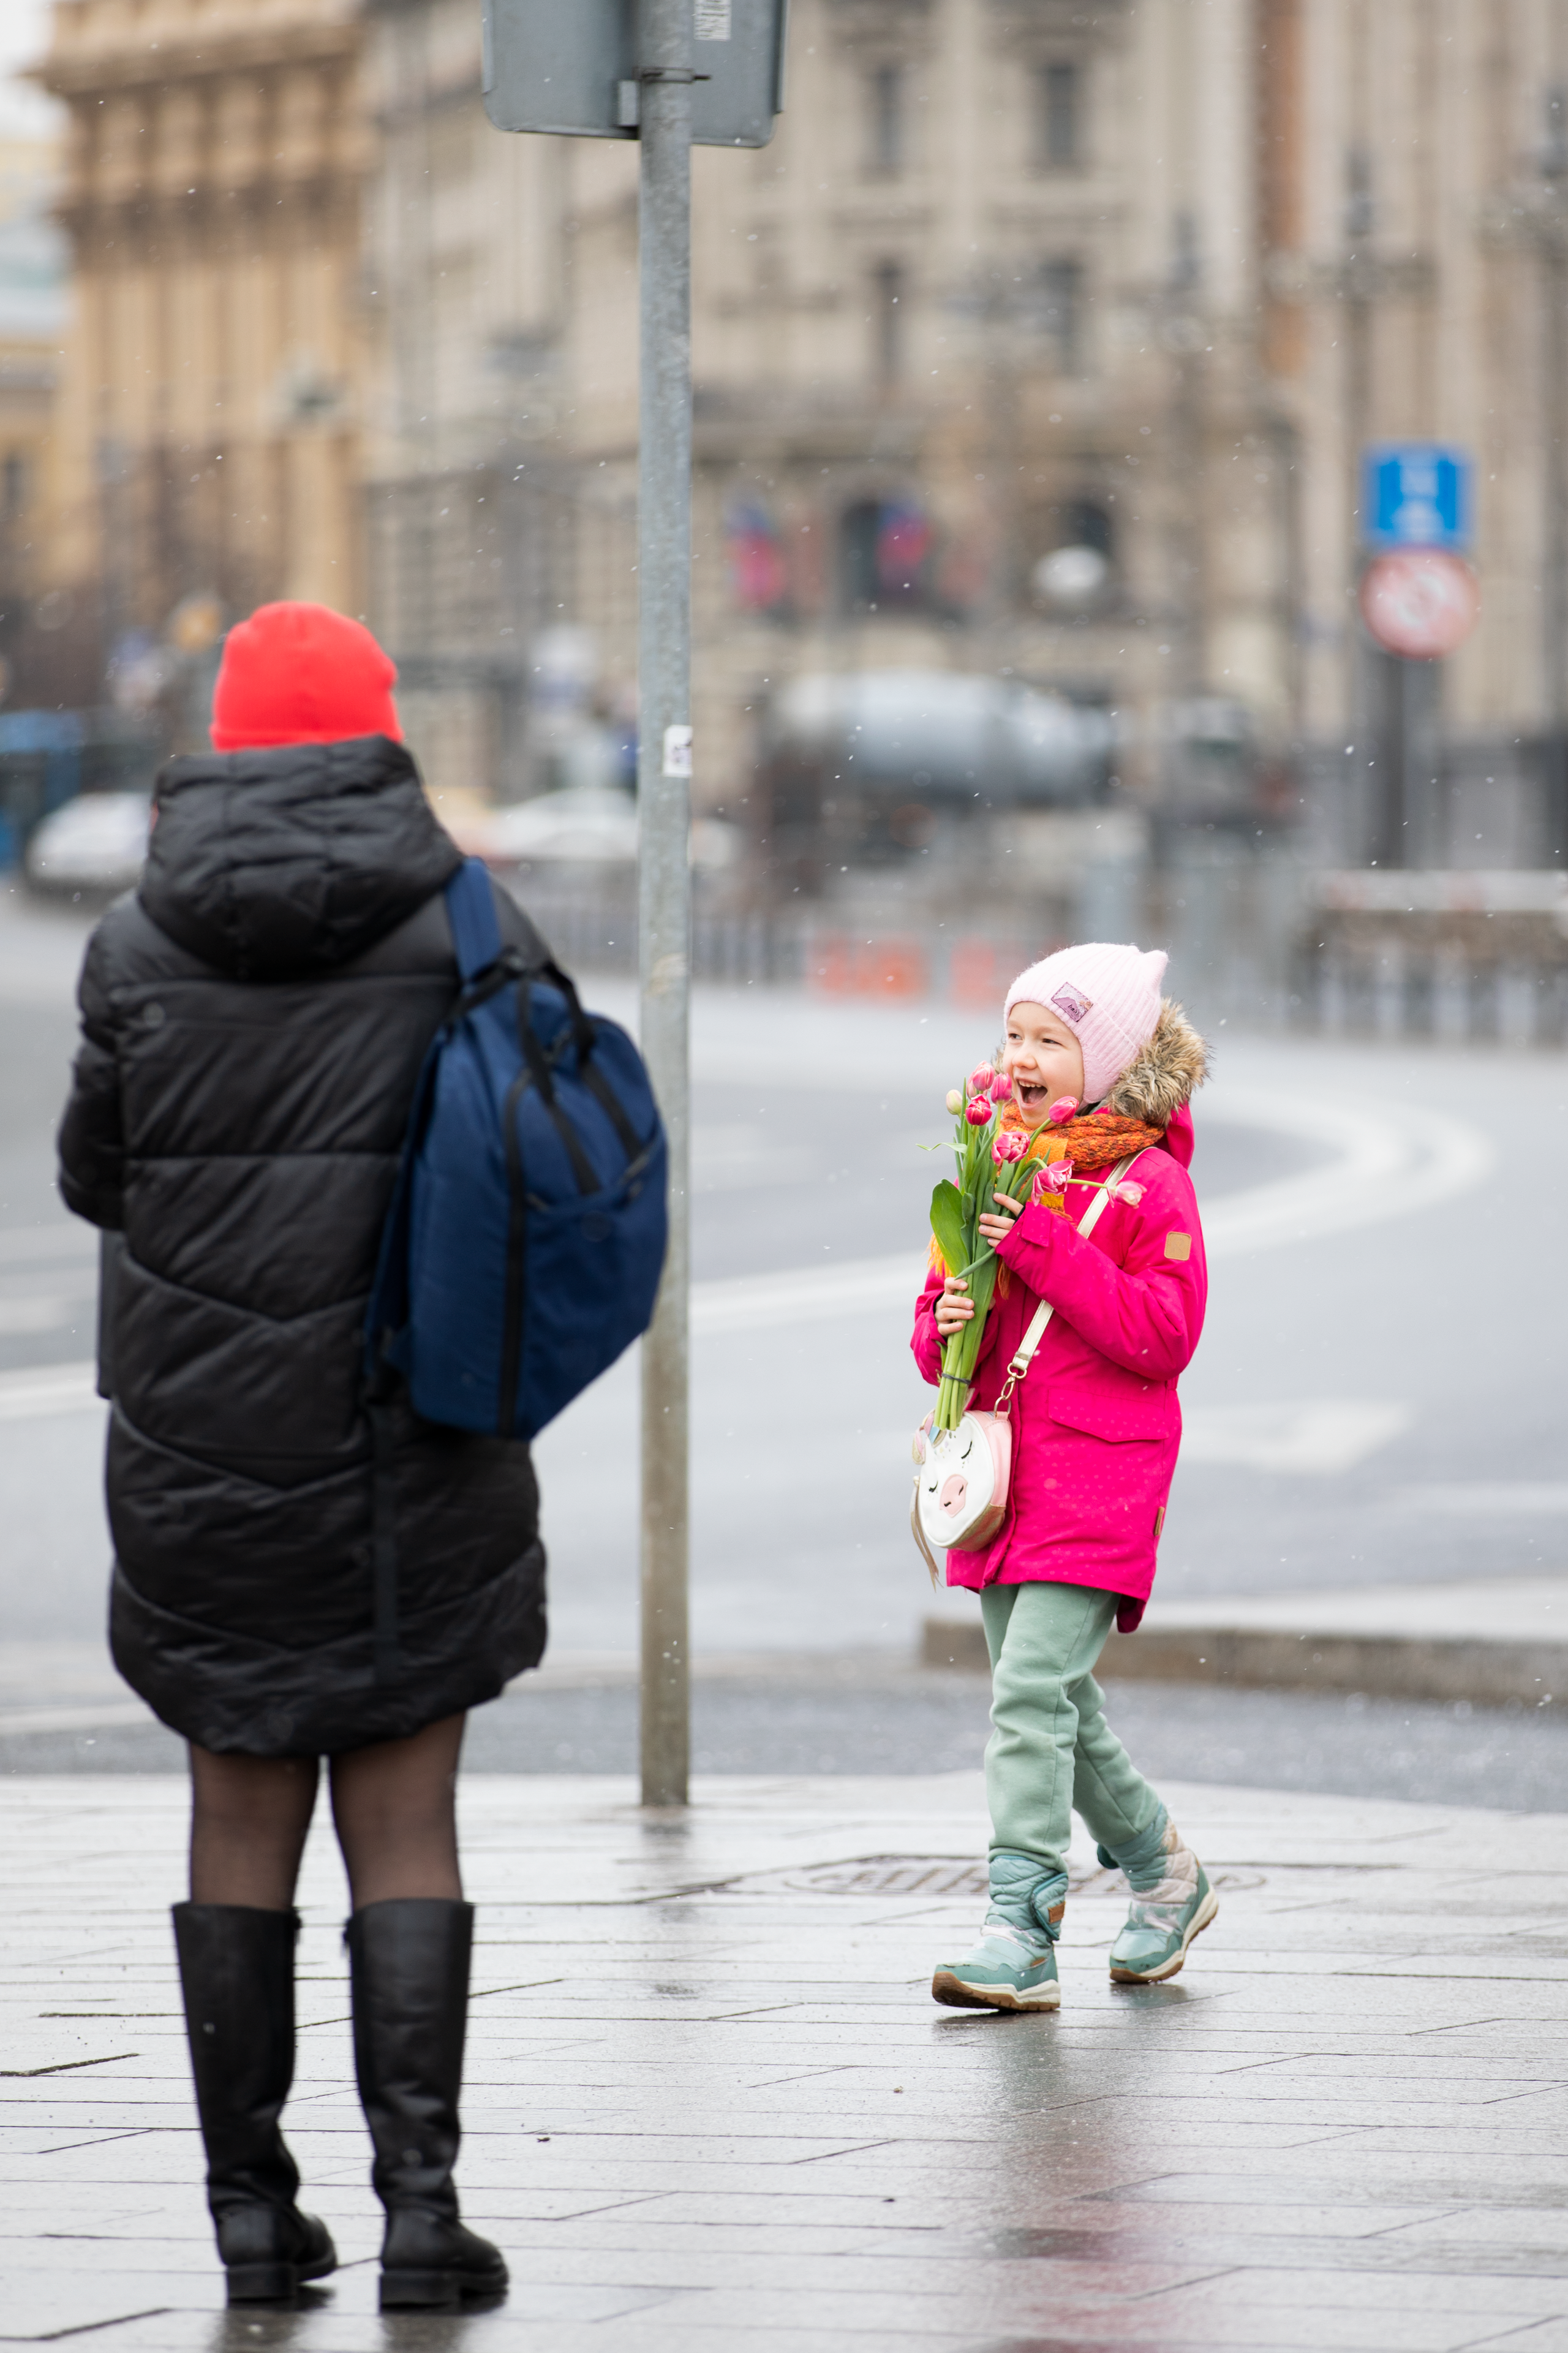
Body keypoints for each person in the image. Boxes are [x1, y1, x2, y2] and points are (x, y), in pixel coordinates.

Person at [57, 601, 545, 2308]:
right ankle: (423, 2215)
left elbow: (93, 1176)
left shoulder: (132, 941)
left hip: (200, 1448)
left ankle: (252, 2221)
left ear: (224, 736)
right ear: (377, 731)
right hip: (413, 1434)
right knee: (406, 1818)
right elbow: (551, 1145)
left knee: (235, 1809)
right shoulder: (463, 917)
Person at [911, 942, 1213, 2012]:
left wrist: (1041, 1244)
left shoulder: (1151, 1182)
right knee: (1055, 1704)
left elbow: (1162, 1334)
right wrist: (943, 1322)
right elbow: (947, 1319)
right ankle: (1168, 1876)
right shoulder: (996, 1161)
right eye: (1015, 1035)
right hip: (1005, 1480)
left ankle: (1022, 1925)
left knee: (1031, 1694)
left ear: (1113, 1058)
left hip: (1101, 1483)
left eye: (1053, 1039)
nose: (1025, 1057)